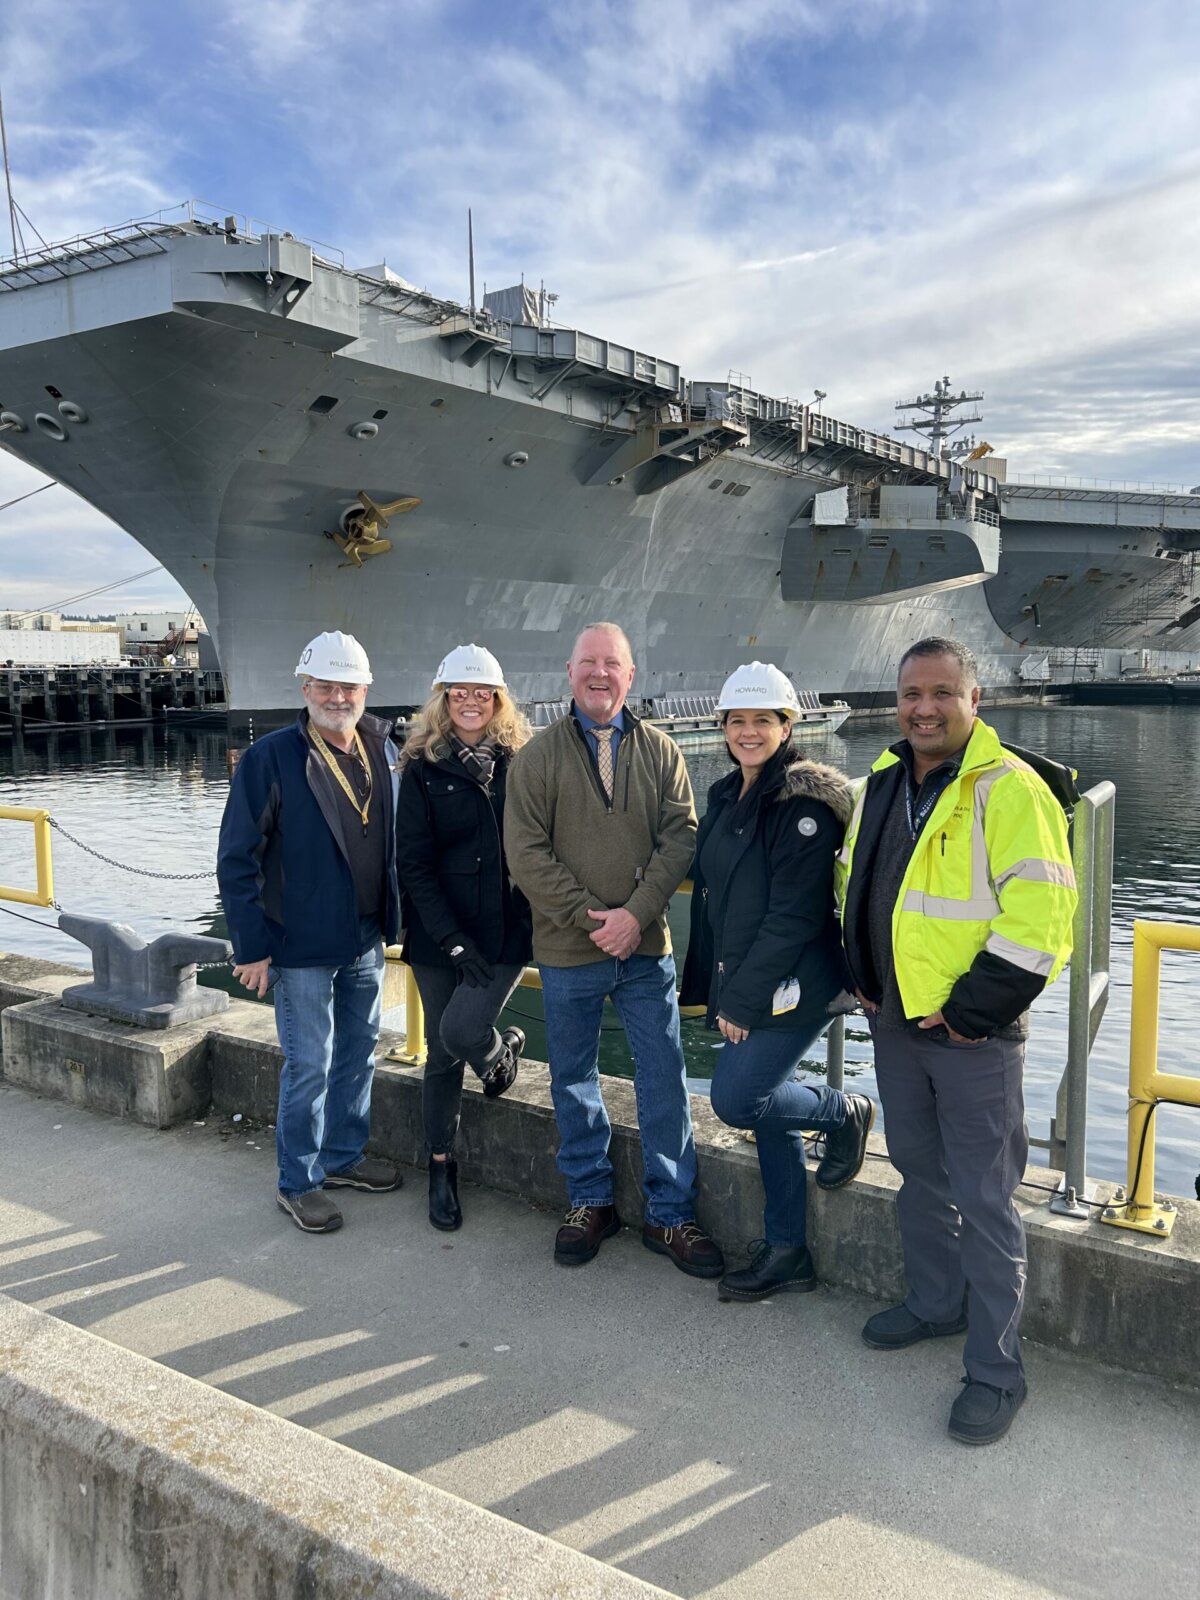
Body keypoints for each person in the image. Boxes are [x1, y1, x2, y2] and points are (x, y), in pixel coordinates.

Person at [838, 637, 1076, 1445]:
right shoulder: (881, 780)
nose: (924, 708)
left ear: (977, 701)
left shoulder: (1010, 790)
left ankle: (998, 1371)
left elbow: (1042, 921)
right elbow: (856, 883)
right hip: (896, 1022)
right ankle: (936, 1305)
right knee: (919, 1176)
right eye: (911, 693)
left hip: (971, 1037)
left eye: (942, 692)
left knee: (985, 1200)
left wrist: (971, 1012)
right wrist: (861, 972)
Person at [504, 622, 723, 1277]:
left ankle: (670, 1212)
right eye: (589, 663)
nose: (601, 674)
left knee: (664, 1082)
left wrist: (636, 915)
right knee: (572, 1082)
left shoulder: (661, 752)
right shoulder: (536, 758)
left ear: (632, 677)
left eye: (614, 664)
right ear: (569, 673)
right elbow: (525, 852)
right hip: (568, 951)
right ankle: (590, 1201)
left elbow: (680, 838)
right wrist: (588, 916)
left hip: (645, 950)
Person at [679, 663, 875, 1302]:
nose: (748, 731)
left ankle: (843, 1111)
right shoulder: (726, 795)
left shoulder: (803, 803)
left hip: (797, 981)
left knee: (737, 1098)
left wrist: (740, 997)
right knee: (766, 1112)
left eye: (762, 719)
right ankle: (788, 1250)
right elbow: (711, 878)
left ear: (787, 725)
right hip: (749, 975)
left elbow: (792, 914)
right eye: (737, 720)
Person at [217, 630, 402, 1234]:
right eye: (326, 685)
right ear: (305, 689)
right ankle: (298, 1182)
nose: (338, 696)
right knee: (309, 1065)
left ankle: (343, 1156)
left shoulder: (382, 747)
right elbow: (237, 859)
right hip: (298, 947)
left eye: (348, 686)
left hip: (364, 938)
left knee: (358, 1054)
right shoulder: (271, 758)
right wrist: (251, 949)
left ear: (365, 690)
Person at [395, 644, 533, 1231]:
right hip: (438, 935)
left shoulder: (523, 763)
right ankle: (441, 1168)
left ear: (498, 700)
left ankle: (498, 1058)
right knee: (442, 1059)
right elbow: (414, 864)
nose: (471, 701)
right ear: (443, 698)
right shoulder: (422, 767)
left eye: (482, 693)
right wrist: (451, 940)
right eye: (460, 692)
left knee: (458, 1029)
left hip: (504, 929)